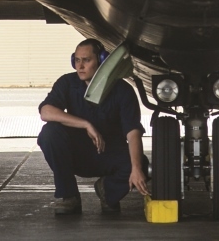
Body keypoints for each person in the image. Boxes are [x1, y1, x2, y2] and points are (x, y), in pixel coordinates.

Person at [37, 39, 150, 215]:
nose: (80, 66)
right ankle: (68, 196)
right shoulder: (68, 83)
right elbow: (46, 112)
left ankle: (107, 190)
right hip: (76, 153)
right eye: (77, 60)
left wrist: (135, 169)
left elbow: (133, 132)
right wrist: (86, 124)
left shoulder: (122, 90)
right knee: (50, 133)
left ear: (101, 60)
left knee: (141, 164)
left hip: (108, 153)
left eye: (87, 60)